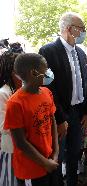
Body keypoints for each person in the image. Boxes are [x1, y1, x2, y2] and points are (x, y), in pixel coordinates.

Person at [39, 12, 87, 186]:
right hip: (59, 113)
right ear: (70, 29)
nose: (84, 32)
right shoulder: (48, 51)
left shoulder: (81, 53)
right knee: (57, 155)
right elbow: (48, 88)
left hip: (78, 113)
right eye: (82, 29)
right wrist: (60, 118)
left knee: (74, 154)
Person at [4, 53, 59, 186]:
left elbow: (53, 123)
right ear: (34, 73)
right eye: (45, 69)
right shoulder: (15, 103)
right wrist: (45, 162)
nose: (48, 72)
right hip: (31, 170)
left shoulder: (47, 93)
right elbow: (20, 142)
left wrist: (55, 153)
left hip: (51, 162)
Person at [0, 51, 21, 186]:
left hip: (23, 151)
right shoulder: (3, 93)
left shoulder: (19, 90)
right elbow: (4, 126)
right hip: (11, 150)